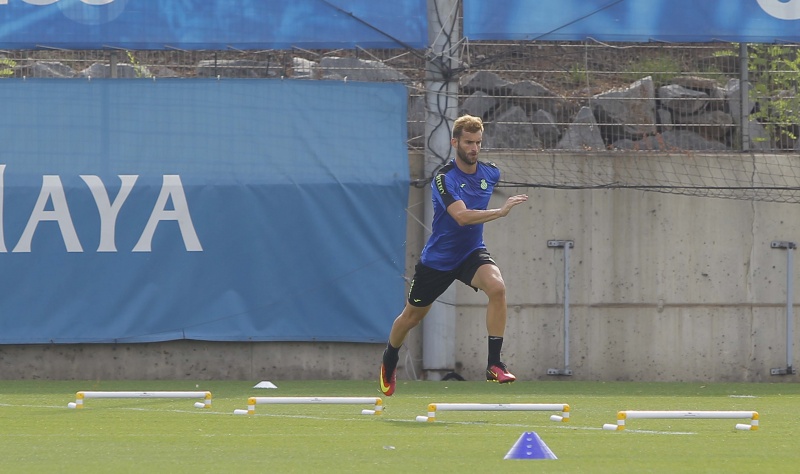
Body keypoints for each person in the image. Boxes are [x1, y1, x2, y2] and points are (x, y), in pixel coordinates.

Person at [379, 114, 529, 396]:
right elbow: (461, 217)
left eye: (478, 143)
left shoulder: (490, 173)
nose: (474, 148)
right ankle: (390, 358)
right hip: (438, 261)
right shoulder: (443, 178)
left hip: (471, 253)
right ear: (455, 143)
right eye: (469, 142)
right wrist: (500, 212)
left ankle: (494, 364)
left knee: (497, 288)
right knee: (411, 317)